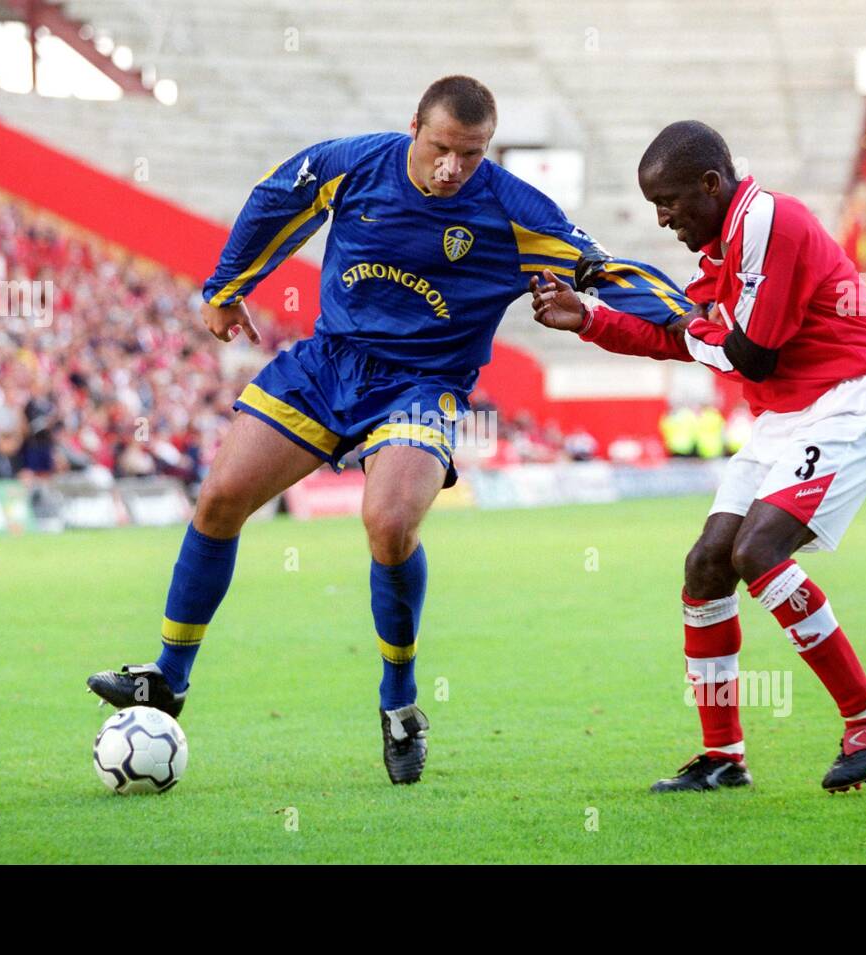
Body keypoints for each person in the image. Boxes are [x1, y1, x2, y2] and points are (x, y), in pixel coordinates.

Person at [87, 76, 688, 785]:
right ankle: (170, 677)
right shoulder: (355, 163)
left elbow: (604, 268)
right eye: (441, 148)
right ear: (414, 127)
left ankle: (399, 703)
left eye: (471, 154)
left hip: (422, 386)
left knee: (390, 523)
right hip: (328, 363)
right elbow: (276, 198)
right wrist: (225, 289)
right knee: (219, 497)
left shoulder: (512, 208)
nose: (453, 167)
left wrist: (692, 321)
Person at [531, 120, 866, 794]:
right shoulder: (722, 258)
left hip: (849, 400)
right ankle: (723, 757)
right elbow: (687, 339)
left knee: (757, 550)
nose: (664, 218)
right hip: (786, 413)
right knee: (707, 565)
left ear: (712, 184)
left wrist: (692, 324)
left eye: (671, 202)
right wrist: (590, 317)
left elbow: (748, 355)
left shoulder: (768, 220)